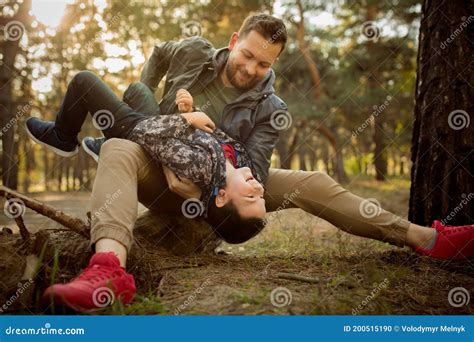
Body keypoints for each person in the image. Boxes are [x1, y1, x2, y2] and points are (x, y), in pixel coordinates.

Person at [39, 13, 473, 312]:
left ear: (274, 63)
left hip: (224, 182)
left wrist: (211, 186)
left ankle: (428, 240)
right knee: (118, 148)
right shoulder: (192, 53)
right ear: (233, 43)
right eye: (246, 55)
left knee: (314, 181)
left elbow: (257, 175)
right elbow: (156, 56)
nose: (250, 68)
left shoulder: (269, 107)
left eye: (263, 64)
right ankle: (109, 270)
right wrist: (146, 100)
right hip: (156, 166)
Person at [26, 79, 267, 244]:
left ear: (222, 197)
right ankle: (104, 143)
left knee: (83, 81)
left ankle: (63, 137)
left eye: (251, 196)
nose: (259, 187)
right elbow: (207, 138)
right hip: (160, 128)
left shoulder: (199, 169)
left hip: (140, 131)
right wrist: (190, 109)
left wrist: (187, 118)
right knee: (137, 89)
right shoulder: (237, 163)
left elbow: (147, 133)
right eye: (261, 196)